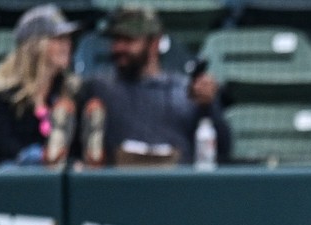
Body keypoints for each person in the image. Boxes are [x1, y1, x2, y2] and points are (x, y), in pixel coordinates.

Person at [75, 5, 230, 166]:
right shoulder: (99, 89)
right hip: (117, 185)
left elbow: (223, 151)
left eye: (128, 40)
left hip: (177, 185)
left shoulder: (186, 92)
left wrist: (209, 107)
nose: (119, 47)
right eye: (115, 40)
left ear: (154, 43)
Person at [0, 3, 81, 167]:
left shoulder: (71, 91)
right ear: (36, 45)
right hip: (14, 183)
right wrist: (42, 157)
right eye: (58, 39)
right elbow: (3, 148)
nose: (67, 45)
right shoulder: (1, 95)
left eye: (68, 38)